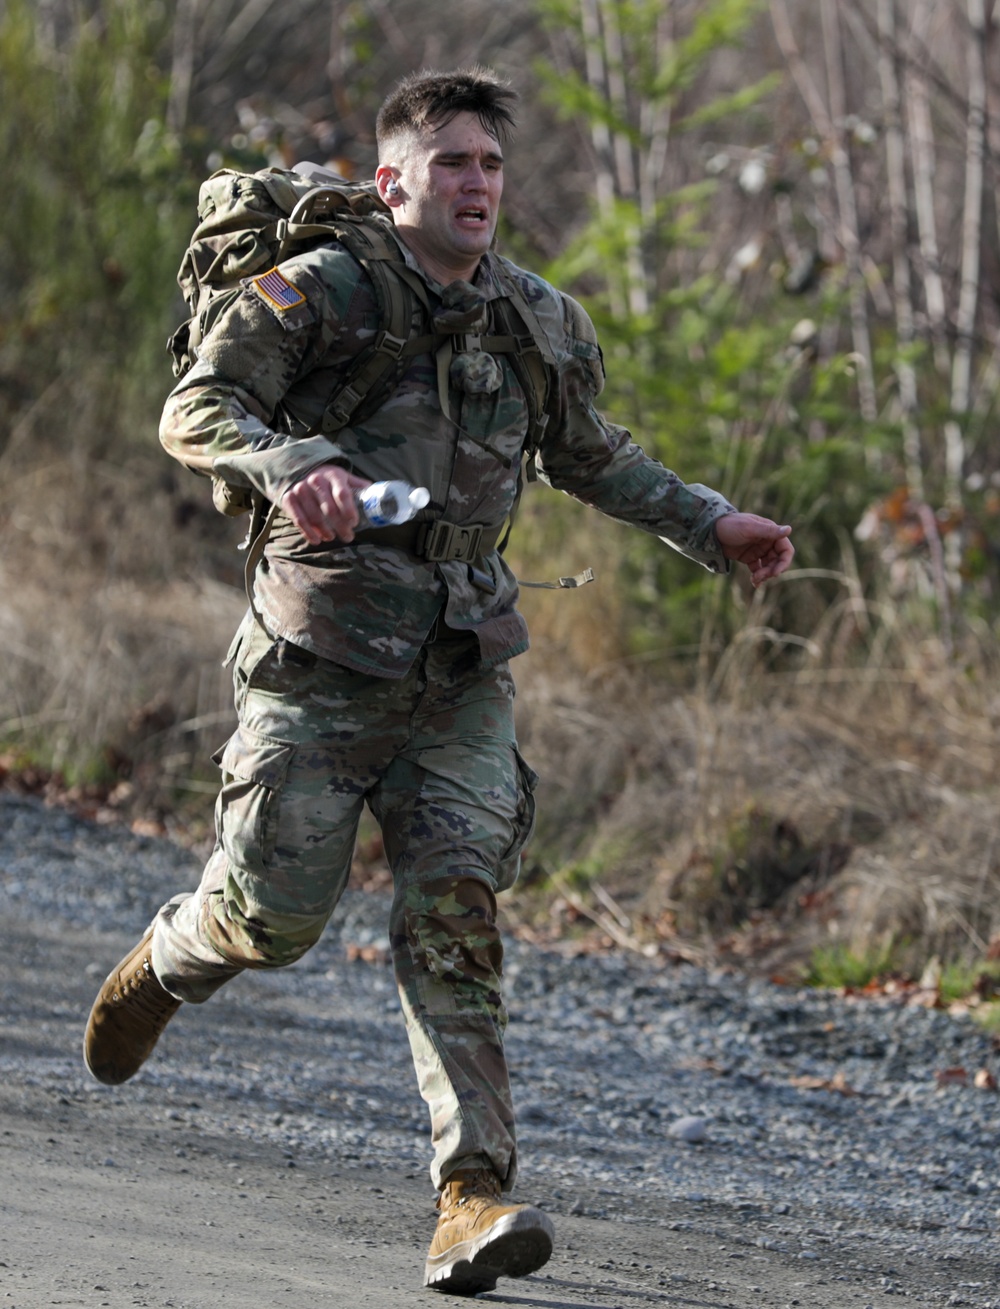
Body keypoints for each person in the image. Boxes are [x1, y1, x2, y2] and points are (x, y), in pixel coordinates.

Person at [83, 67, 794, 1295]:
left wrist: (710, 522)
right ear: (390, 179)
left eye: (491, 165)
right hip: (318, 658)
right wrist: (288, 458)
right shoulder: (322, 291)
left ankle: (470, 1192)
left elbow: (590, 455)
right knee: (277, 916)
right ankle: (174, 953)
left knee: (454, 909)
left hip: (461, 668)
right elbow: (195, 405)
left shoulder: (536, 318)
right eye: (452, 162)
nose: (478, 185)